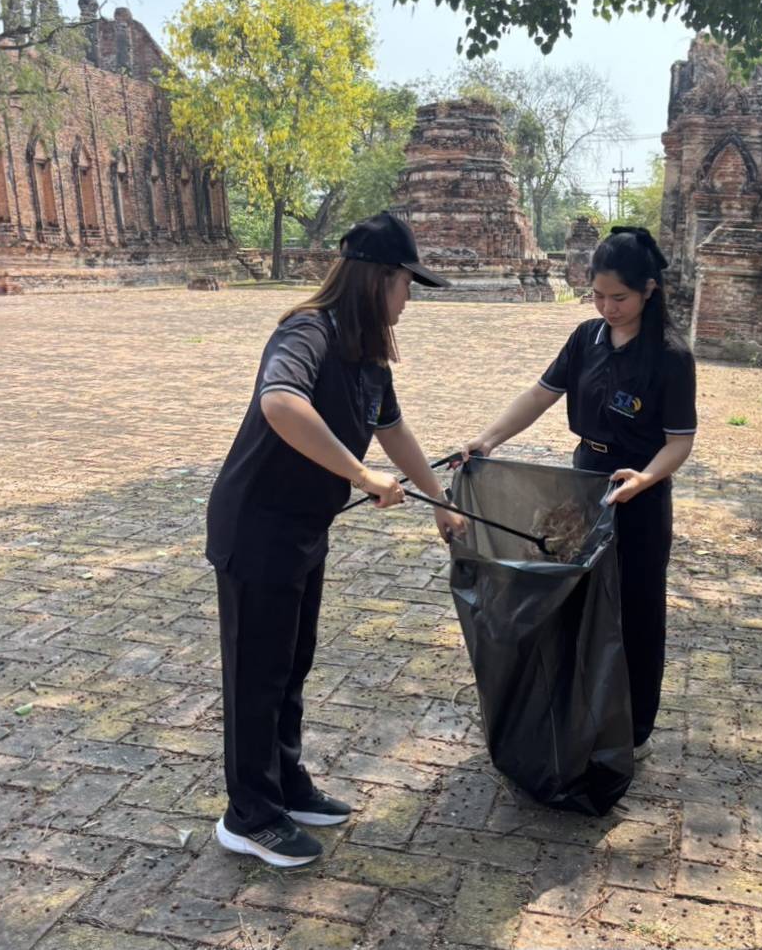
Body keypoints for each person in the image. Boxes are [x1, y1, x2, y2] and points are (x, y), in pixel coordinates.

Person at [206, 211, 466, 868]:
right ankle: (249, 816)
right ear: (380, 279)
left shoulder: (368, 353)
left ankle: (285, 784)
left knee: (291, 664)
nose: (410, 299)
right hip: (256, 524)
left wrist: (437, 503)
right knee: (255, 673)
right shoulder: (306, 331)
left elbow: (394, 432)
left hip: (303, 526)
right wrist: (359, 474)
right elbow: (280, 403)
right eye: (408, 284)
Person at [461, 226, 696, 761]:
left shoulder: (669, 355)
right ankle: (575, 707)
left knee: (634, 610)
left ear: (649, 291)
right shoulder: (586, 338)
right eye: (598, 295)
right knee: (576, 602)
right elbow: (541, 395)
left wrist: (645, 477)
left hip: (638, 495)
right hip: (583, 484)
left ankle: (631, 728)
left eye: (621, 297)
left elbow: (679, 443)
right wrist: (488, 438)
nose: (608, 308)